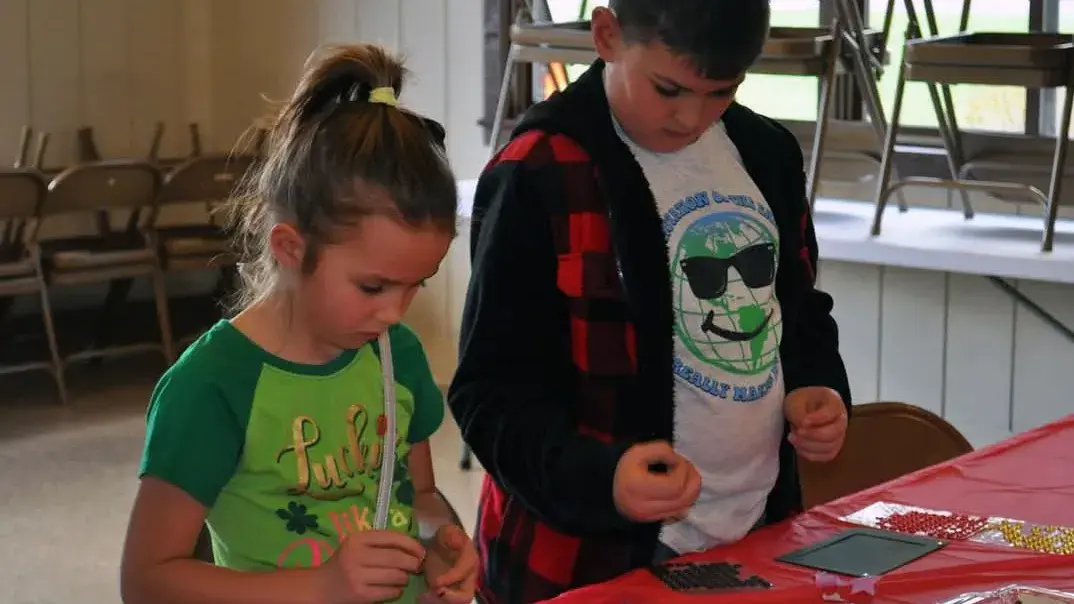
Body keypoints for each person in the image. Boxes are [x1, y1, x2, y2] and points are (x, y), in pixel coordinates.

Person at [448, 1, 853, 601]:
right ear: (607, 35)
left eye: (721, 92)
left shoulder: (767, 154)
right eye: (668, 89)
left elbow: (796, 309)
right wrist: (602, 480)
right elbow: (489, 393)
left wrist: (817, 384)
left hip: (752, 530)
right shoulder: (540, 170)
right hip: (584, 560)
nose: (690, 117)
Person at [120, 43, 478, 604]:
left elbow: (422, 497)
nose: (394, 313)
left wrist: (441, 548)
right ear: (289, 247)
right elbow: (147, 581)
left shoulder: (395, 354)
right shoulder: (214, 385)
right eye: (373, 286)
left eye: (417, 285)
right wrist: (322, 585)